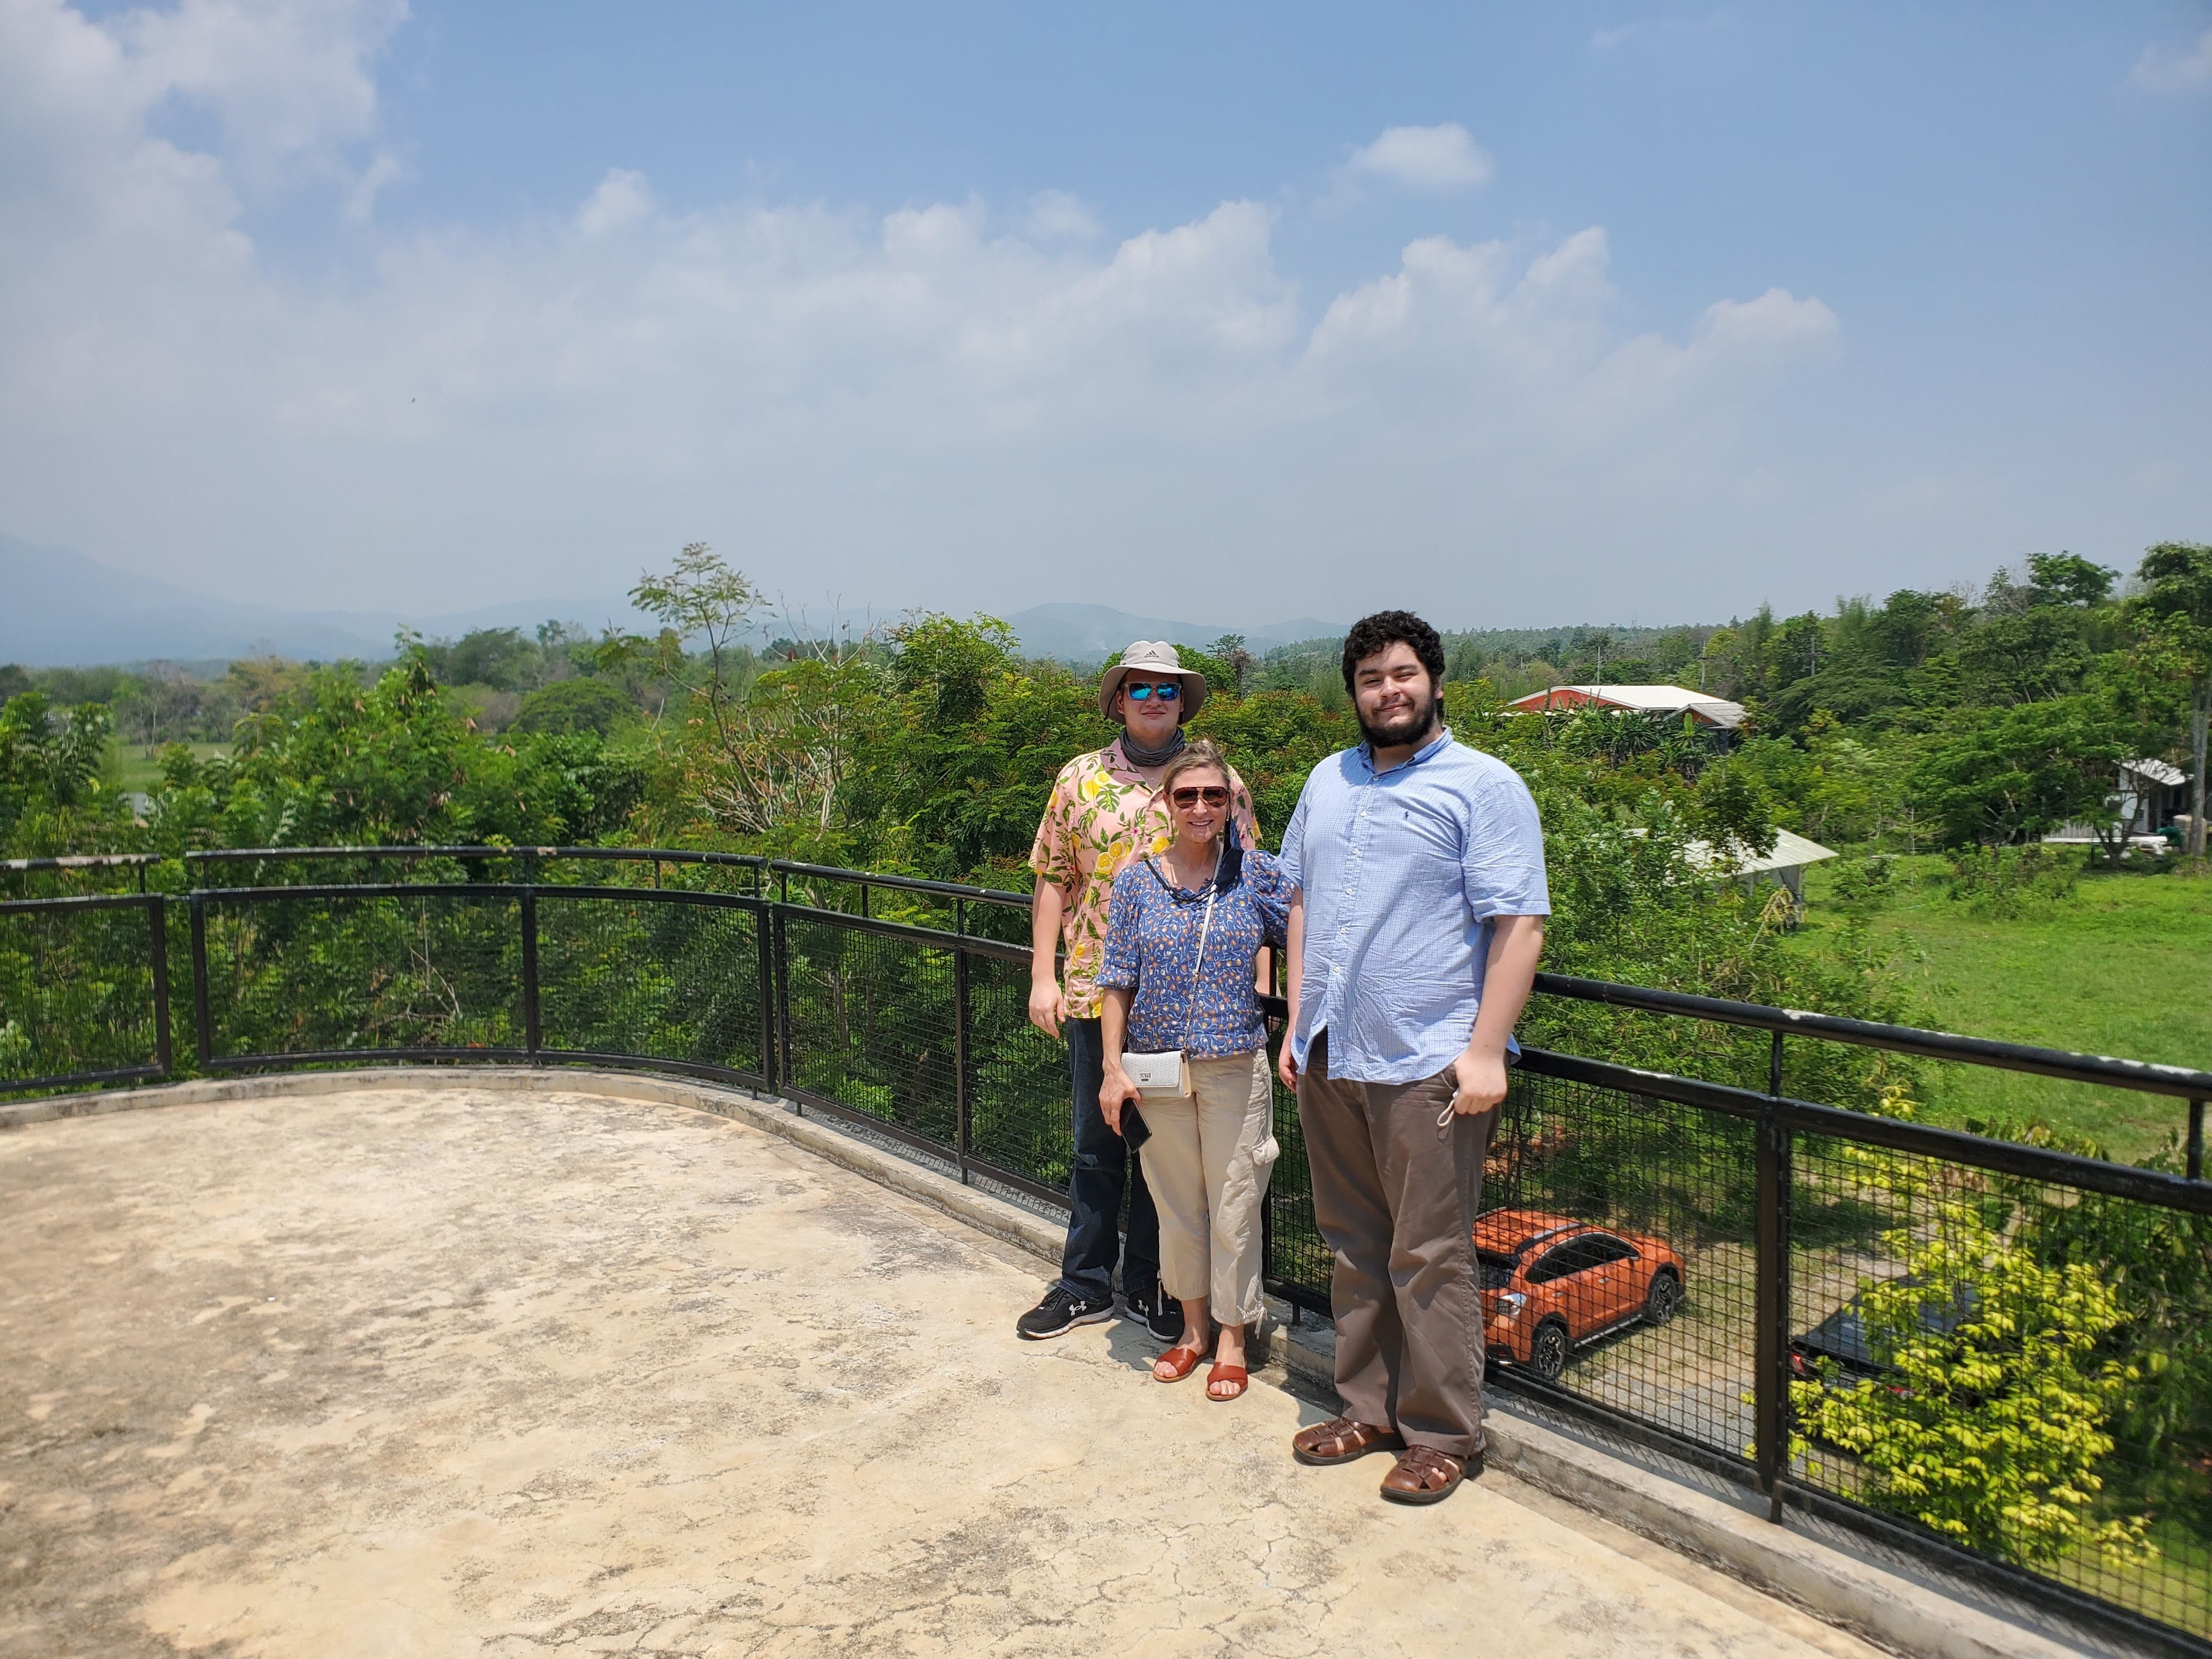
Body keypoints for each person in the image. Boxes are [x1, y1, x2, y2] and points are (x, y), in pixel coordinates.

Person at [1276, 610, 1549, 1505]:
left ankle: (1443, 1431)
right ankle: (1367, 1407)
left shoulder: (1484, 784)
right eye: (1369, 678)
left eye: (1401, 674)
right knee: (1353, 1243)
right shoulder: (1328, 778)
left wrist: (1483, 1052)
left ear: (1433, 679)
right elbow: (1302, 903)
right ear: (1352, 691)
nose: (1387, 690)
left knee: (1428, 1252)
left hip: (1426, 1059)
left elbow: (1519, 922)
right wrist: (1293, 1018)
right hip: (1331, 1050)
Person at [1017, 642, 1259, 1343]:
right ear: (1118, 701)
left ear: (1183, 702)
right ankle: (1084, 1283)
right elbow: (1052, 879)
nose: (1154, 699)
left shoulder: (1217, 784)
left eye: (1167, 689)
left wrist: (1262, 992)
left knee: (1170, 1155)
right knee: (1097, 1144)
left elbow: (1253, 886)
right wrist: (1041, 975)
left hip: (1191, 1006)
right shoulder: (1080, 780)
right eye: (1141, 688)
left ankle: (1161, 1288)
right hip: (1099, 996)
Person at [1096, 741, 1291, 1401]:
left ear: (1232, 803)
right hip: (1156, 1073)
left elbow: (1313, 928)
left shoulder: (1257, 876)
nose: (1202, 807)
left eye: (1215, 795)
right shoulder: (1136, 881)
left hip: (1235, 1061)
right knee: (1178, 1205)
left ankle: (1234, 1337)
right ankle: (1193, 1330)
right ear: (1167, 804)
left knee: (1235, 1202)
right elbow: (1116, 981)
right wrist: (1110, 1070)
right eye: (1188, 796)